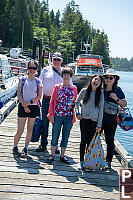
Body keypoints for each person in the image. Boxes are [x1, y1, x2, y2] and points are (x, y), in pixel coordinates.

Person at [46, 68, 77, 164]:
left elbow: (75, 103)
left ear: (70, 76)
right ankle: (52, 155)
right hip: (58, 115)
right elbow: (51, 103)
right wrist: (51, 115)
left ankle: (62, 156)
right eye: (65, 74)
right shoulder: (57, 87)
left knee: (65, 136)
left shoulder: (74, 88)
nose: (66, 76)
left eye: (68, 74)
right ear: (62, 75)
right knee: (55, 135)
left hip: (69, 116)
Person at [13, 60, 43, 158]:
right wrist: (24, 105)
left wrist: (29, 103)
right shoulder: (22, 79)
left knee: (29, 130)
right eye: (30, 68)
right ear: (27, 69)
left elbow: (39, 96)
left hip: (33, 107)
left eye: (34, 68)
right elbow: (18, 93)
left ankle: (25, 147)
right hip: (23, 106)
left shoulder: (38, 81)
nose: (32, 70)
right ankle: (15, 146)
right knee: (20, 130)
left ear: (37, 69)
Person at [36, 52, 63, 153]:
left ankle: (54, 145)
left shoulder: (64, 72)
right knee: (44, 122)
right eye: (54, 59)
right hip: (46, 99)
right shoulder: (45, 70)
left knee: (56, 124)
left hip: (59, 102)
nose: (56, 61)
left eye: (58, 59)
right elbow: (39, 83)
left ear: (61, 61)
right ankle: (43, 144)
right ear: (52, 60)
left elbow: (70, 85)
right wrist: (37, 97)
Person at [75, 74, 104, 169]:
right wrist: (78, 113)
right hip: (84, 120)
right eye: (95, 79)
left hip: (94, 122)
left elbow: (101, 110)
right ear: (91, 80)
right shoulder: (84, 91)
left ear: (100, 84)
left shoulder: (101, 94)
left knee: (90, 142)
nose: (96, 81)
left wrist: (99, 125)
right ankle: (81, 161)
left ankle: (88, 161)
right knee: (83, 140)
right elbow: (76, 102)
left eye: (99, 81)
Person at [102, 68, 127, 169]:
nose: (108, 79)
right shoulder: (101, 88)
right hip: (98, 119)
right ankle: (94, 158)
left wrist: (116, 98)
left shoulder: (117, 90)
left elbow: (124, 104)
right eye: (106, 77)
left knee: (109, 141)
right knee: (93, 139)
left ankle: (108, 161)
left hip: (111, 120)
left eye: (111, 78)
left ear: (115, 79)